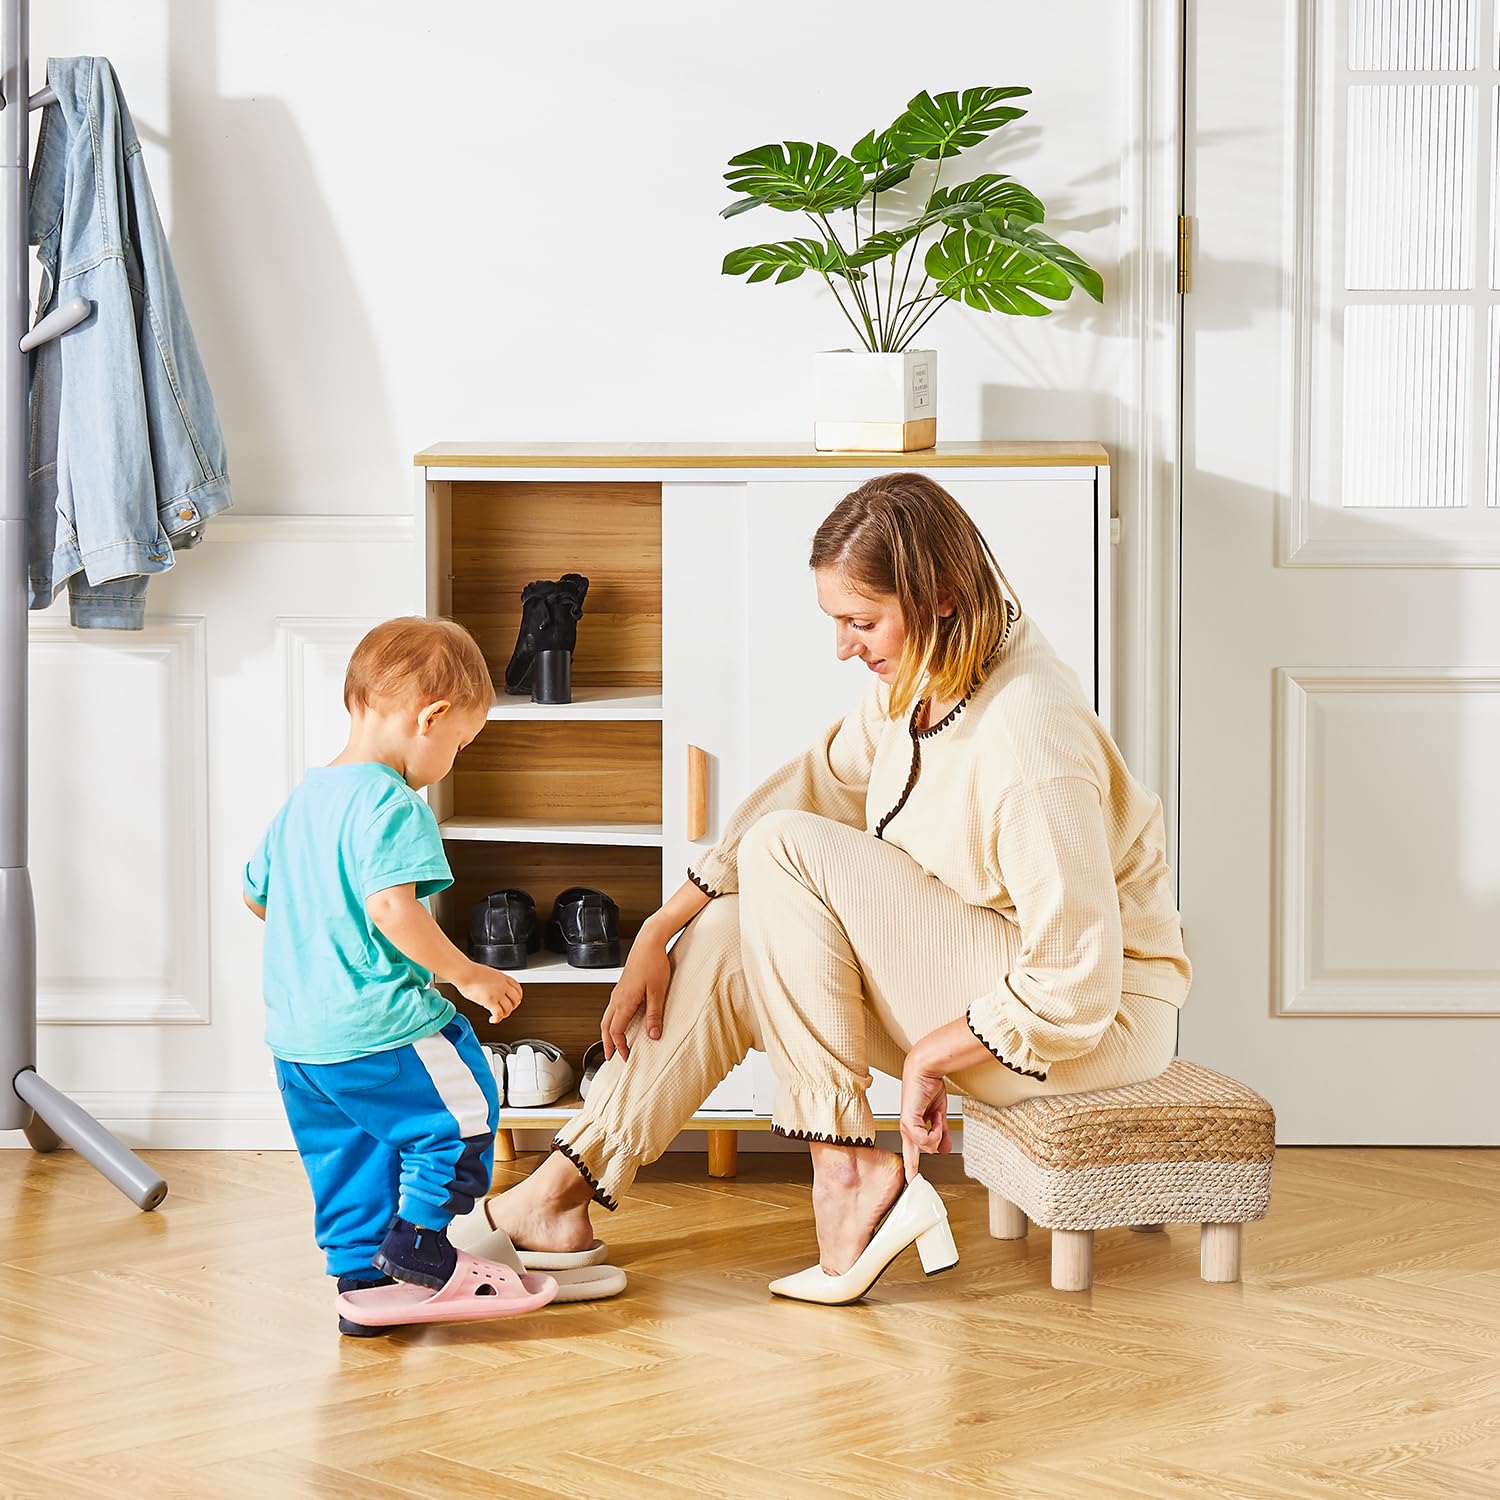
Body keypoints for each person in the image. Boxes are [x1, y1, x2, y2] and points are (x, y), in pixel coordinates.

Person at [484, 472, 1192, 1302]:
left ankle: (849, 1172)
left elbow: (1078, 981)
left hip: (1086, 1029)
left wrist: (935, 1049)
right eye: (838, 622)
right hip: (993, 975)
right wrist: (659, 927)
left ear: (941, 599)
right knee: (724, 935)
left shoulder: (1030, 734)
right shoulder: (923, 682)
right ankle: (558, 1197)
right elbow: (813, 785)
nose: (845, 649)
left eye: (862, 622)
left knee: (786, 853)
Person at [243, 616, 522, 1333]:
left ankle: (364, 1284)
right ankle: (422, 1247)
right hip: (379, 1026)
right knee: (460, 1118)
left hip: (300, 1041)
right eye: (460, 743)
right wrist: (465, 973)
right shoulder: (393, 803)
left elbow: (256, 895)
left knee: (347, 1153)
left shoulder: (306, 798)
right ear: (431, 718)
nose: (452, 757)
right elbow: (394, 910)